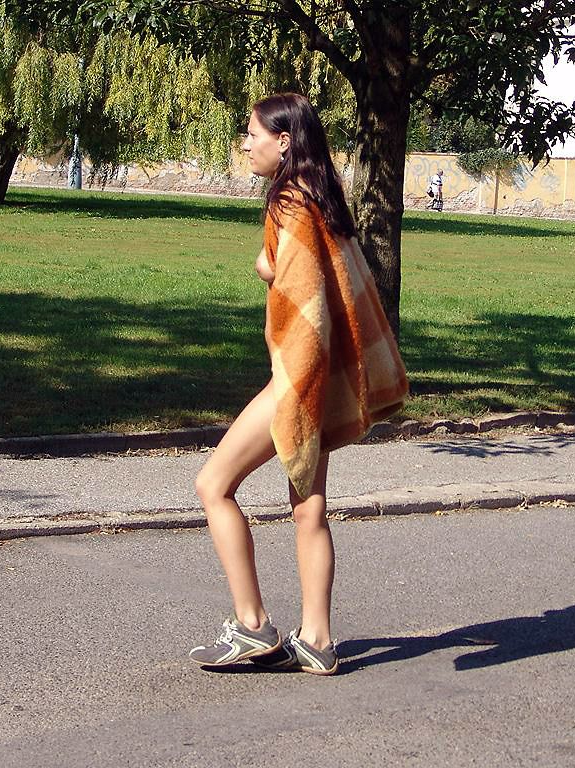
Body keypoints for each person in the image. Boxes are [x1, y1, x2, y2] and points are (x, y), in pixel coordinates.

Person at [188, 93, 409, 676]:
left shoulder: (288, 200)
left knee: (213, 485)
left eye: (252, 134)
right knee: (309, 509)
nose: (245, 145)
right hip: (321, 379)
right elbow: (315, 276)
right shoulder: (322, 198)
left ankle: (253, 626)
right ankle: (317, 640)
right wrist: (271, 265)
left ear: (283, 142)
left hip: (297, 379)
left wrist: (296, 392)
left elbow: (303, 301)